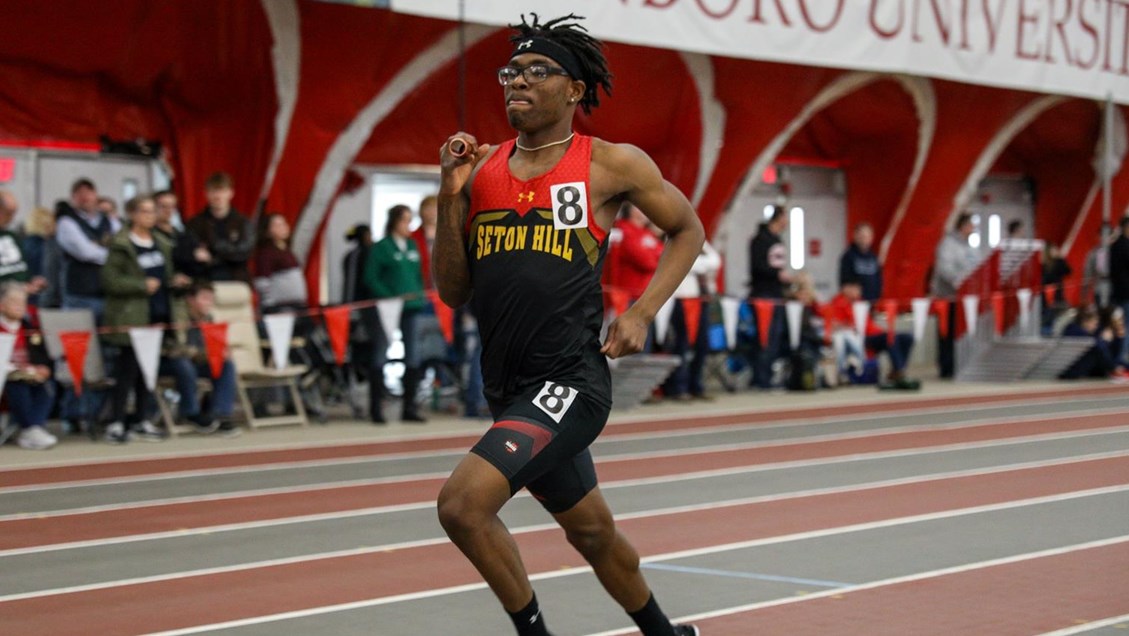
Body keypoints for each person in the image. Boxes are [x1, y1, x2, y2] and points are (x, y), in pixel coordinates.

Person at [432, 14, 704, 636]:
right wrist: (450, 195)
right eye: (510, 72)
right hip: (508, 386)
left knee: (463, 506)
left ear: (573, 90)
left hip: (571, 381)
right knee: (591, 530)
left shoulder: (610, 164)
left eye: (536, 71)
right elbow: (453, 290)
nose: (516, 82)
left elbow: (687, 230)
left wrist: (641, 311)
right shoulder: (482, 171)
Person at [100, 194, 189, 444]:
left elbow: (163, 276)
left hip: (157, 315)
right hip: (131, 317)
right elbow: (109, 280)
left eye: (153, 211)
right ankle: (117, 422)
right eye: (146, 211)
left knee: (147, 372)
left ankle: (141, 419)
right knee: (126, 371)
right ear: (133, 214)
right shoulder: (121, 244)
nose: (151, 216)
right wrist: (140, 285)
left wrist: (175, 282)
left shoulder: (161, 243)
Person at [364, 204, 427, 423]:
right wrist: (390, 296)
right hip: (388, 309)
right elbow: (371, 278)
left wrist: (419, 294)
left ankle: (409, 407)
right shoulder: (381, 247)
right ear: (394, 222)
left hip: (412, 308)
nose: (409, 225)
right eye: (405, 220)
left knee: (413, 355)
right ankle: (376, 408)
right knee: (381, 352)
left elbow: (417, 275)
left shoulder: (412, 245)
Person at [159, 281, 241, 437]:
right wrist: (206, 354)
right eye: (204, 298)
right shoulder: (177, 317)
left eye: (211, 299)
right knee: (184, 365)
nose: (209, 303)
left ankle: (221, 414)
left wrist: (221, 352)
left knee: (225, 365)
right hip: (169, 362)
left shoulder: (208, 318)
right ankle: (191, 413)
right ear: (190, 299)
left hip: (196, 364)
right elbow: (174, 349)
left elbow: (211, 346)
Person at [825, 280, 920, 390]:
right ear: (846, 288)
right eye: (855, 287)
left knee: (907, 338)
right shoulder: (837, 303)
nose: (858, 291)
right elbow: (837, 325)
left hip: (874, 333)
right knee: (890, 338)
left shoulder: (860, 303)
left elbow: (870, 324)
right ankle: (899, 371)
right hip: (858, 338)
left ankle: (897, 370)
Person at [0, 282, 57, 450]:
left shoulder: (28, 328)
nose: (20, 308)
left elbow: (41, 355)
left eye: (22, 304)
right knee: (18, 385)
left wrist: (40, 368)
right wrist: (15, 370)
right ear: (2, 305)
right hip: (8, 378)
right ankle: (29, 428)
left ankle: (33, 428)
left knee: (47, 385)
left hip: (27, 374)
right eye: (15, 303)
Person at [55, 178, 120, 323]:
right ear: (73, 198)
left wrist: (98, 248)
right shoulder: (66, 222)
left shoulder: (110, 221)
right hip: (78, 296)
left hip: (108, 294)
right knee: (78, 342)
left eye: (88, 192)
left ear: (96, 195)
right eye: (79, 193)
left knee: (107, 342)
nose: (85, 197)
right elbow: (86, 253)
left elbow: (122, 247)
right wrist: (110, 253)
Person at [662, 240, 721, 400]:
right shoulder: (672, 237)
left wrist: (697, 262)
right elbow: (685, 262)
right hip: (682, 298)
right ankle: (678, 387)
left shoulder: (698, 236)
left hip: (701, 299)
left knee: (702, 344)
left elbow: (715, 261)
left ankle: (696, 385)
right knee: (682, 344)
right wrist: (700, 262)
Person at [930, 212, 979, 378]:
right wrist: (960, 283)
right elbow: (944, 269)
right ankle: (946, 367)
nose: (973, 229)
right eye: (971, 225)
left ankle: (960, 364)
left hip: (964, 300)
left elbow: (976, 267)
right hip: (947, 298)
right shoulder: (948, 244)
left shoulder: (970, 247)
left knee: (960, 333)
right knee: (947, 333)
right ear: (963, 226)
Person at [747, 204, 791, 389]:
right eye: (785, 217)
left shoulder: (777, 239)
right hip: (764, 296)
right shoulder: (760, 240)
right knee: (764, 338)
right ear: (778, 217)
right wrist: (777, 275)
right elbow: (757, 268)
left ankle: (767, 375)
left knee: (775, 338)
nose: (787, 221)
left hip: (777, 294)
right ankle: (760, 378)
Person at [184, 172, 254, 282]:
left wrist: (213, 250)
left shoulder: (243, 223)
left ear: (231, 193)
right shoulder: (195, 223)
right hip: (205, 281)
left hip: (237, 279)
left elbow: (244, 252)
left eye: (222, 191)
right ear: (206, 194)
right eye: (213, 191)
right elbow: (191, 252)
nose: (217, 196)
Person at [253, 213, 308, 313]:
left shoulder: (287, 251)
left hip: (296, 305)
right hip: (279, 307)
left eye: (283, 224)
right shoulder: (266, 253)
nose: (282, 228)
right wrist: (269, 305)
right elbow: (262, 281)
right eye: (277, 225)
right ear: (267, 231)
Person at [1059, 306, 1125, 379]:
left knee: (1117, 362)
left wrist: (1119, 338)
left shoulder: (1090, 334)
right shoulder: (1073, 330)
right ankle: (1112, 371)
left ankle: (1113, 370)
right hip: (1070, 371)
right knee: (1098, 349)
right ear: (1085, 321)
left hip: (1077, 369)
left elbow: (1114, 356)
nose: (1095, 327)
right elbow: (1098, 347)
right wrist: (1104, 341)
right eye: (1094, 323)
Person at [0, 189, 47, 293]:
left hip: (17, 303)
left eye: (13, 213)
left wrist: (30, 282)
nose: (11, 218)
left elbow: (19, 269)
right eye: (8, 213)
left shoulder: (12, 237)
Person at [838, 222, 882, 302]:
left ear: (871, 238)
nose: (864, 239)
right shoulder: (848, 256)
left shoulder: (874, 257)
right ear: (855, 235)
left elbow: (879, 280)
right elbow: (844, 285)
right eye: (862, 235)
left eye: (867, 236)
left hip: (873, 303)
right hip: (855, 303)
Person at [1083, 225, 1113, 309]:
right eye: (1102, 235)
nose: (1104, 238)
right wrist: (1084, 294)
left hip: (1116, 288)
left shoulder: (1117, 251)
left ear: (1111, 236)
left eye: (1107, 235)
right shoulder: (1094, 253)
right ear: (1098, 237)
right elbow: (1087, 273)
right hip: (1100, 287)